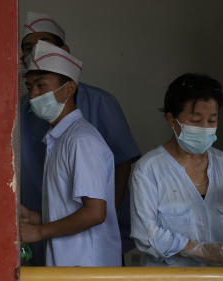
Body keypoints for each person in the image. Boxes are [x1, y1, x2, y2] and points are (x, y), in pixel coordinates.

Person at [19, 12, 141, 264]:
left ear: (69, 88)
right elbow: (67, 208)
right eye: (29, 87)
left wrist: (40, 231)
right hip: (70, 265)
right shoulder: (59, 139)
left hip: (88, 267)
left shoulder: (81, 140)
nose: (33, 95)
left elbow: (95, 213)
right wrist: (34, 217)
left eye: (42, 86)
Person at [129, 73, 223, 267]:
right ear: (172, 121)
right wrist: (199, 249)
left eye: (212, 121)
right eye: (196, 121)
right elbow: (146, 234)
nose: (205, 128)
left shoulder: (221, 162)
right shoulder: (148, 170)